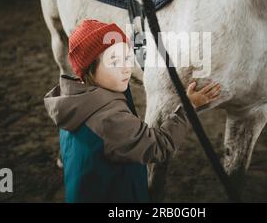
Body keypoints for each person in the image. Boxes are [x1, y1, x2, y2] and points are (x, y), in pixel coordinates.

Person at [44, 19, 221, 202]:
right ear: (89, 68)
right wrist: (188, 109)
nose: (125, 68)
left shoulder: (72, 102)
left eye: (127, 58)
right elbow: (159, 146)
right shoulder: (109, 120)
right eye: (114, 61)